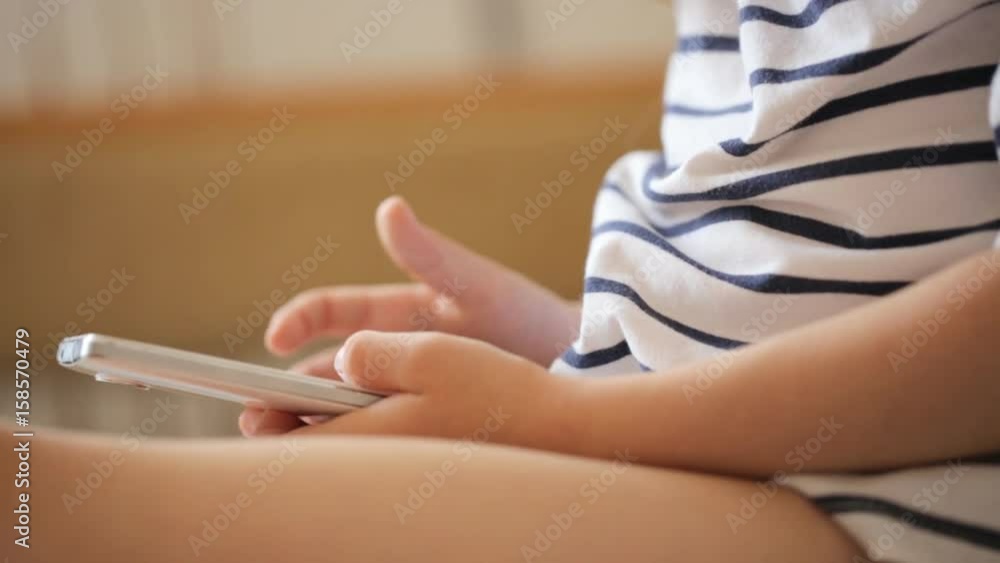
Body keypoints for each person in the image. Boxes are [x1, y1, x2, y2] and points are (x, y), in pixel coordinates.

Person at [7, 1, 1000, 561]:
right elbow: (845, 273)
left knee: (50, 503)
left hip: (897, 515)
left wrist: (551, 414)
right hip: (763, 472)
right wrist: (573, 337)